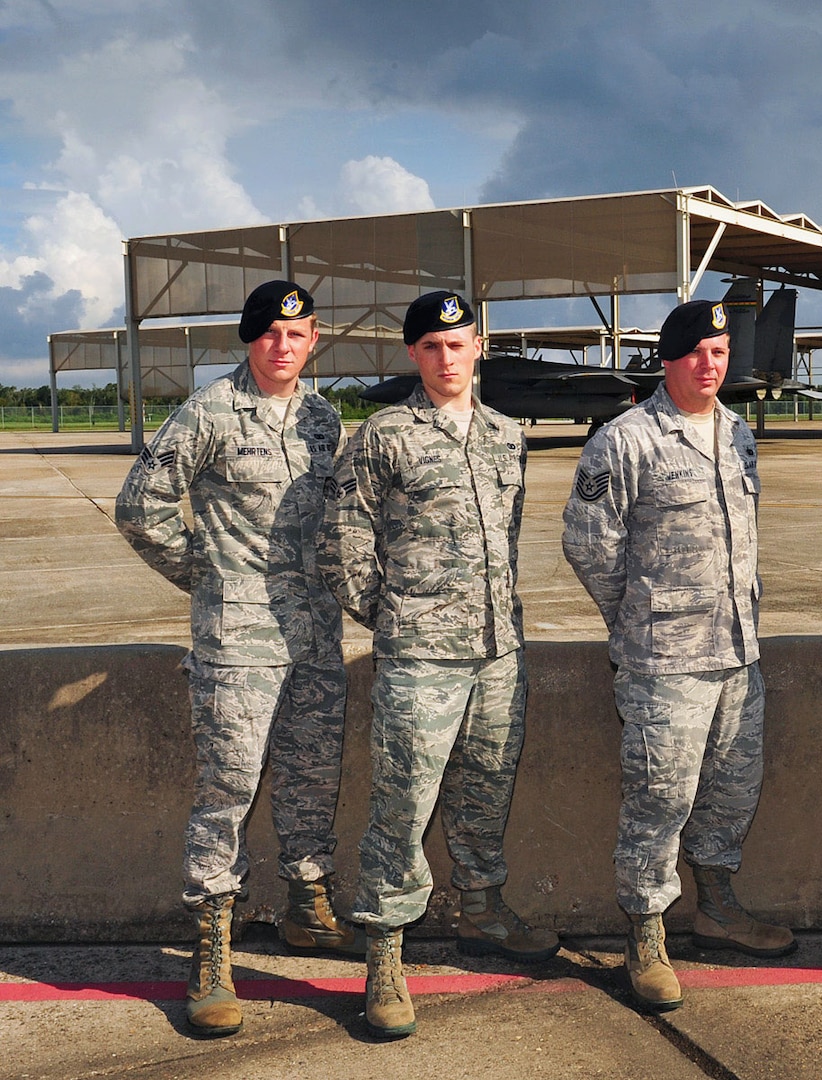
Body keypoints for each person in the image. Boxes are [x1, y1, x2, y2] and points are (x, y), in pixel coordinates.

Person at [114, 280, 355, 1038]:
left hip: (313, 634)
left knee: (314, 774)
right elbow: (139, 507)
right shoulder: (210, 412)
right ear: (249, 340)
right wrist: (209, 574)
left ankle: (306, 901)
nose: (284, 348)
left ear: (314, 338)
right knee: (229, 788)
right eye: (269, 335)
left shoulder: (323, 419)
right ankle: (212, 943)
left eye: (298, 334)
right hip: (238, 639)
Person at [319, 290, 557, 1039]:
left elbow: (507, 541)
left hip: (497, 654)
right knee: (402, 805)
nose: (447, 358)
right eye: (431, 346)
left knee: (487, 790)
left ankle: (481, 910)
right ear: (413, 354)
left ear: (478, 345)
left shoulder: (505, 434)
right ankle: (385, 951)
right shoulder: (383, 435)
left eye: (458, 344)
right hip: (421, 656)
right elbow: (343, 543)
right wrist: (396, 616)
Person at [562, 298, 795, 1013]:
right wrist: (638, 618)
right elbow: (588, 543)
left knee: (729, 792)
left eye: (720, 352)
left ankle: (718, 910)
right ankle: (646, 933)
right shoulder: (626, 440)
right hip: (665, 663)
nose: (709, 363)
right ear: (668, 359)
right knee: (659, 802)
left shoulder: (737, 435)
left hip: (735, 653)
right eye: (695, 351)